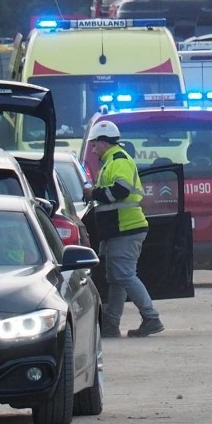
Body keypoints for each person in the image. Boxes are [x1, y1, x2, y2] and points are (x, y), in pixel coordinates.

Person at [83, 120, 164, 338]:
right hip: (117, 229)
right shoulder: (111, 161)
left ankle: (151, 317)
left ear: (103, 142)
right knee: (116, 278)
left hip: (126, 227)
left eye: (94, 144)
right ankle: (111, 324)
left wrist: (94, 193)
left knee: (125, 275)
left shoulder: (118, 160)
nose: (92, 149)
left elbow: (120, 191)